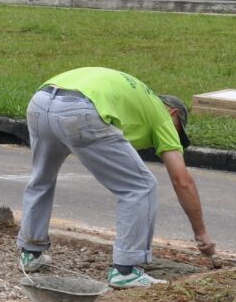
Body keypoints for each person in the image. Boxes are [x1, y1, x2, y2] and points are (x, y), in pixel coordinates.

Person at [18, 68, 214, 288]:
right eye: (178, 131)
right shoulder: (161, 116)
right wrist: (201, 232)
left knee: (42, 177)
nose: (175, 138)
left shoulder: (137, 99)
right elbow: (181, 180)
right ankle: (126, 270)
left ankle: (31, 254)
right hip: (82, 108)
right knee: (140, 187)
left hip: (41, 101)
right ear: (173, 113)